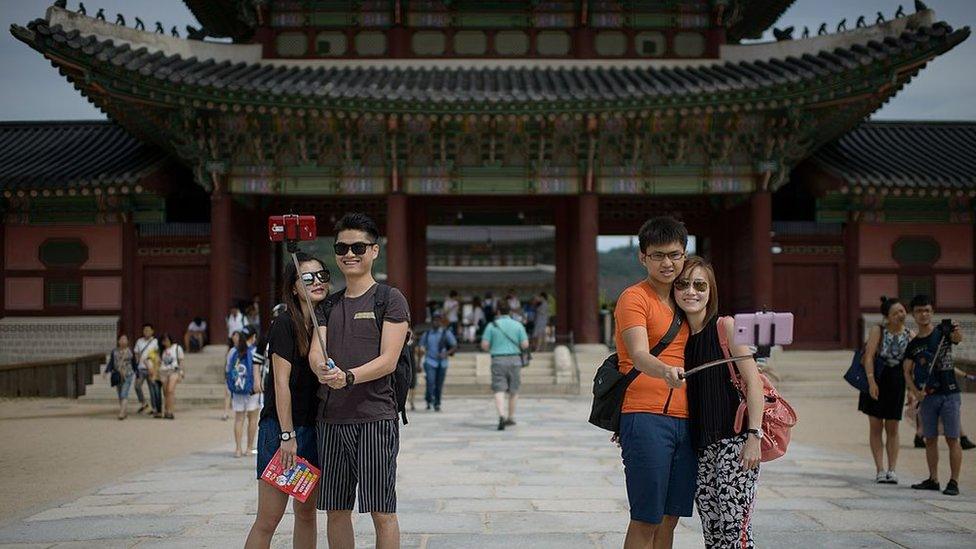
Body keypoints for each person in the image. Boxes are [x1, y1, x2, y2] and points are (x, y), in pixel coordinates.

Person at [309, 212, 410, 549]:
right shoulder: (329, 303)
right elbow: (316, 350)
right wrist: (323, 369)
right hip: (332, 419)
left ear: (374, 251)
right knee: (336, 509)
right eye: (341, 248)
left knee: (382, 511)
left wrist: (348, 377)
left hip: (375, 417)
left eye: (357, 247)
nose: (349, 254)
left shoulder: (389, 299)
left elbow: (389, 360)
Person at [613, 216, 692, 549]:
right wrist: (665, 371)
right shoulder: (634, 298)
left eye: (674, 254)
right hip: (645, 416)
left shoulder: (688, 299)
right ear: (642, 257)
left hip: (688, 419)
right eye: (658, 255)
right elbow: (639, 354)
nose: (667, 263)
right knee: (646, 517)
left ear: (684, 255)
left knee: (670, 518)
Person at [675, 257, 764, 548]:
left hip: (734, 443)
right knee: (712, 533)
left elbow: (754, 383)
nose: (691, 291)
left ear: (710, 291)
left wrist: (754, 436)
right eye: (683, 284)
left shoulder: (726, 326)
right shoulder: (680, 338)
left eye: (699, 285)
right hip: (701, 448)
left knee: (735, 534)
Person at [243, 254, 326, 548]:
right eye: (307, 278)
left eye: (321, 275)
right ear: (293, 287)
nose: (317, 282)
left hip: (314, 431)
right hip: (281, 430)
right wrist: (287, 435)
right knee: (269, 518)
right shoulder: (284, 324)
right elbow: (280, 384)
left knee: (306, 514)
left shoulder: (322, 325)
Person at [905, 295, 965, 496]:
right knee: (929, 438)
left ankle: (954, 481)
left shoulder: (942, 332)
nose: (923, 314)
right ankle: (933, 478)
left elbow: (958, 339)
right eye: (919, 311)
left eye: (927, 310)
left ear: (932, 312)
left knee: (952, 438)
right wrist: (915, 392)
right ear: (913, 314)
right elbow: (906, 371)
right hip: (928, 395)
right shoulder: (913, 345)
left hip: (949, 392)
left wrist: (956, 330)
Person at [859, 296, 912, 484]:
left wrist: (912, 391)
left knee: (893, 426)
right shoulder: (878, 330)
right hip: (877, 378)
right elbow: (868, 357)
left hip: (897, 382)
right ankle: (880, 469)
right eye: (896, 312)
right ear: (887, 317)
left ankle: (892, 469)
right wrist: (871, 382)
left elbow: (910, 366)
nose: (901, 314)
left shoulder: (909, 334)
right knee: (876, 426)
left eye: (902, 311)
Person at [481, 300, 529, 431]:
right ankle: (511, 417)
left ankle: (501, 415)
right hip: (515, 360)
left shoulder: (492, 326)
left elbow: (484, 345)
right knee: (514, 390)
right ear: (510, 312)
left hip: (498, 359)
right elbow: (525, 344)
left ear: (497, 312)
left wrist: (494, 345)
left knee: (499, 389)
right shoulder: (518, 325)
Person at [228, 328, 261, 458]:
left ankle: (237, 449)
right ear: (253, 336)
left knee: (239, 418)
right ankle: (249, 448)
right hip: (252, 389)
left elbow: (228, 370)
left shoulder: (233, 351)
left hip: (237, 388)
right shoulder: (255, 351)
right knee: (252, 419)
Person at [419, 313, 458, 412]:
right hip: (430, 361)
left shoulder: (446, 333)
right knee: (430, 382)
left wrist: (447, 353)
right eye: (434, 320)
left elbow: (454, 346)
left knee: (439, 384)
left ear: (441, 322)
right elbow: (420, 347)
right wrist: (419, 360)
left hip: (442, 362)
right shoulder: (427, 334)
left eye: (438, 320)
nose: (436, 322)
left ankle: (437, 403)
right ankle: (428, 399)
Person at [104, 334, 136, 420]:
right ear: (118, 341)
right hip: (117, 374)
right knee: (120, 393)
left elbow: (134, 363)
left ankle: (121, 413)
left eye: (125, 339)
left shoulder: (130, 351)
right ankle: (124, 411)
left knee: (123, 393)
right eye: (121, 339)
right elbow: (111, 362)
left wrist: (137, 373)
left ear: (127, 341)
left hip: (127, 374)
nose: (123, 341)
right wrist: (106, 371)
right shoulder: (114, 351)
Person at [158, 333, 185, 420]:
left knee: (170, 390)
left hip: (174, 370)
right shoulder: (161, 351)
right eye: (163, 341)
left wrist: (181, 372)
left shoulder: (177, 348)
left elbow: (181, 361)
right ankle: (166, 410)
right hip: (163, 371)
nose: (165, 342)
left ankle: (170, 411)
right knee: (166, 392)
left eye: (167, 340)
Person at [133, 323, 158, 415]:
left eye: (148, 330)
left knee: (152, 389)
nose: (146, 332)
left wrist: (155, 368)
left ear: (152, 331)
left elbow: (157, 355)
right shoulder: (139, 341)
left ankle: (155, 407)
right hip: (141, 368)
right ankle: (143, 403)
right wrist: (137, 362)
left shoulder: (155, 342)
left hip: (151, 368)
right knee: (137, 386)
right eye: (145, 330)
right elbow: (136, 353)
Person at [222, 331, 242, 422]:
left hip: (242, 374)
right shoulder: (232, 350)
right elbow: (228, 364)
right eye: (234, 336)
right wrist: (226, 374)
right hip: (232, 373)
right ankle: (225, 412)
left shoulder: (245, 349)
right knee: (227, 393)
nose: (235, 338)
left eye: (237, 336)